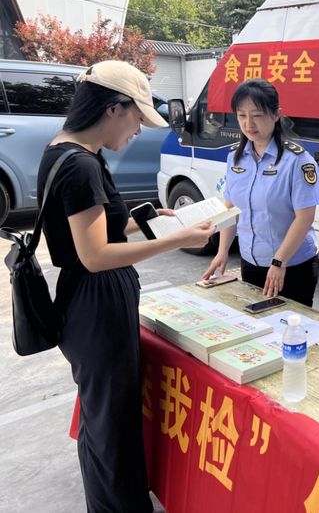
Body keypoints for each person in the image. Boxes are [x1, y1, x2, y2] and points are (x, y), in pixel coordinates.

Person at [37, 61, 215, 512]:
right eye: (137, 118)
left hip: (88, 301)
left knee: (104, 422)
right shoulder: (80, 165)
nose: (139, 131)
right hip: (96, 304)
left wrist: (145, 221)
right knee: (112, 427)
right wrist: (175, 241)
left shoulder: (71, 151)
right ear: (114, 109)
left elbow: (100, 232)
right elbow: (94, 256)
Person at [203, 79, 319, 306]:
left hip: (292, 266)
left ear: (276, 114)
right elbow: (231, 208)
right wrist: (222, 250)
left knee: (291, 328)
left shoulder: (297, 160)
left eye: (257, 115)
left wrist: (279, 262)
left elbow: (305, 217)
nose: (249, 124)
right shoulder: (235, 158)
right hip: (251, 262)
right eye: (241, 115)